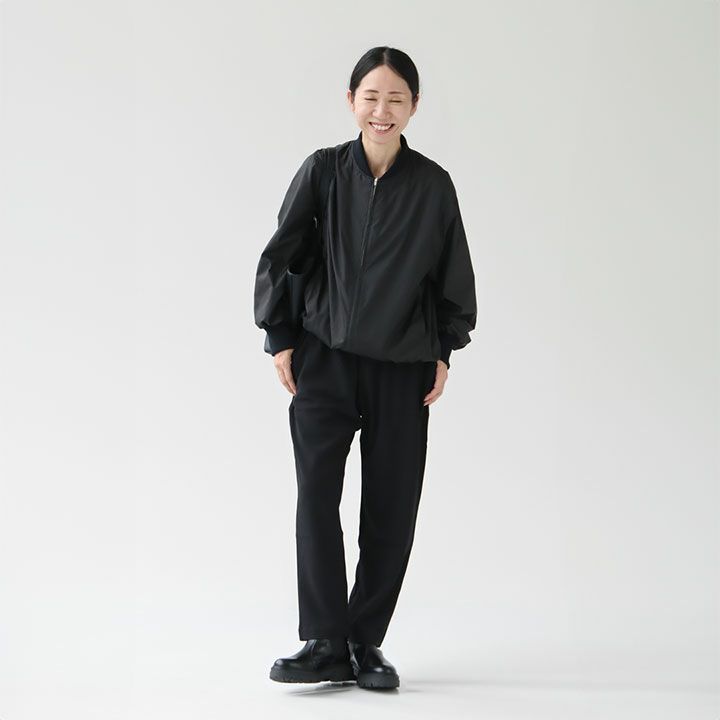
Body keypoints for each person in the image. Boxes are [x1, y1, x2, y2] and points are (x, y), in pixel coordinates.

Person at [253, 46, 477, 690]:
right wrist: (281, 336)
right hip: (323, 359)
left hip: (403, 369)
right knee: (317, 498)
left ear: (414, 107)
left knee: (391, 507)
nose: (383, 110)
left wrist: (444, 349)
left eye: (396, 99)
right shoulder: (323, 171)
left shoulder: (432, 185)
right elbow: (281, 252)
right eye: (371, 97)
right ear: (351, 101)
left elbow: (452, 274)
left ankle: (364, 642)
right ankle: (324, 640)